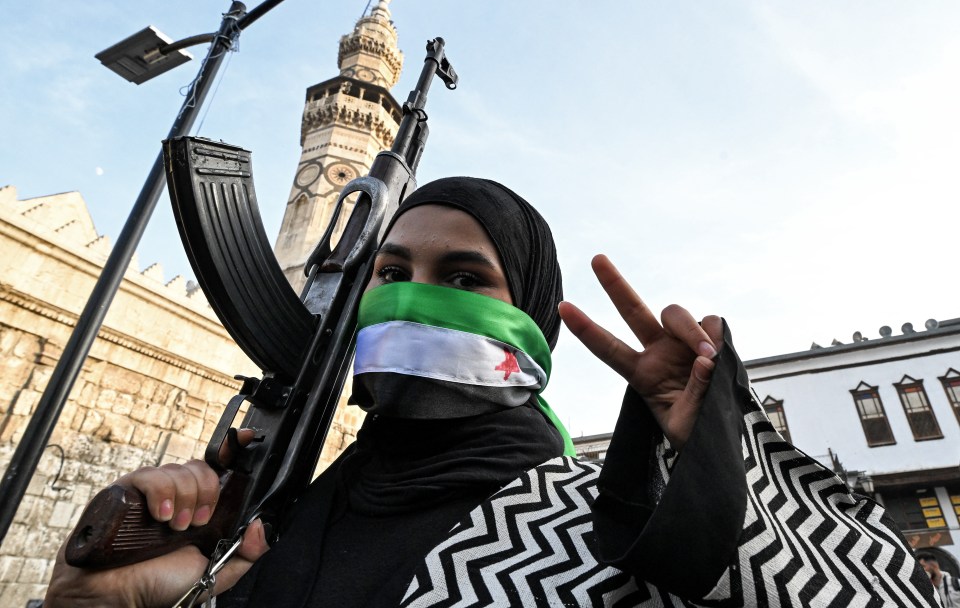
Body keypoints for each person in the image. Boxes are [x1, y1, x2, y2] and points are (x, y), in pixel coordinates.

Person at [46, 177, 938, 607]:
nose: (412, 295)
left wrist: (711, 468)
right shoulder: (292, 516)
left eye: (465, 278)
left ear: (532, 324)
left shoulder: (589, 520)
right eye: (391, 271)